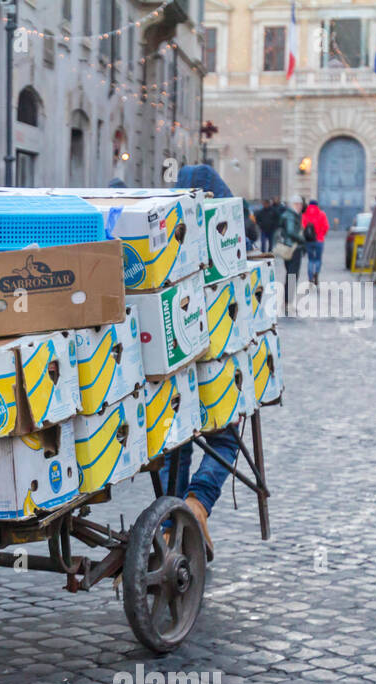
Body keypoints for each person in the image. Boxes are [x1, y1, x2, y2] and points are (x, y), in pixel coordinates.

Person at [163, 164, 247, 555]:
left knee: (171, 441)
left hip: (169, 362)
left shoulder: (162, 244)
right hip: (217, 359)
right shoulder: (226, 245)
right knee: (224, 435)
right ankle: (197, 505)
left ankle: (168, 522)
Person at [278, 195, 307, 305]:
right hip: (293, 248)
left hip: (289, 247)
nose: (300, 206)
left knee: (290, 274)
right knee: (292, 275)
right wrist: (302, 239)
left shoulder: (290, 214)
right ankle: (287, 301)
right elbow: (290, 231)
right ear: (293, 204)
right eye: (298, 204)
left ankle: (287, 300)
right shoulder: (291, 215)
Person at [302, 199, 329, 285]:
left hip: (309, 241)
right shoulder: (322, 214)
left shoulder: (305, 214)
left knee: (310, 259)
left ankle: (310, 277)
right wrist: (321, 235)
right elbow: (326, 226)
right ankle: (316, 273)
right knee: (318, 259)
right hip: (319, 240)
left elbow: (302, 226)